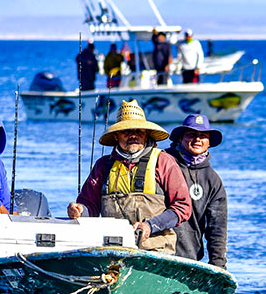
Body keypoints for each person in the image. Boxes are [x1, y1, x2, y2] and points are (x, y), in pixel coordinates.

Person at [67, 100, 192, 254]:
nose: (133, 135)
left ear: (146, 134)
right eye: (126, 131)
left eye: (139, 131)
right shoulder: (103, 165)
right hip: (111, 249)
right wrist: (80, 211)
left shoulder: (164, 161)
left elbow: (182, 207)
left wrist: (150, 226)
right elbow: (90, 206)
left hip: (156, 250)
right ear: (115, 136)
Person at [165, 114, 227, 268]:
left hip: (189, 257)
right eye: (191, 134)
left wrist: (218, 265)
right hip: (157, 250)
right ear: (180, 138)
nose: (197, 139)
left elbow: (217, 228)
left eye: (203, 136)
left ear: (209, 143)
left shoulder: (212, 180)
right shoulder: (162, 163)